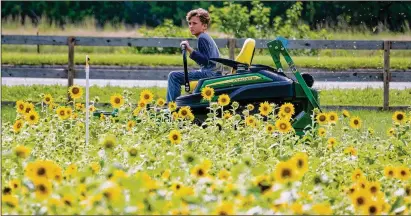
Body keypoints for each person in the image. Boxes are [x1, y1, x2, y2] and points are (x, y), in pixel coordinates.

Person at [166, 8, 223, 103]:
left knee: (173, 76)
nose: (191, 26)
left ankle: (172, 106)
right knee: (174, 75)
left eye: (194, 23)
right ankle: (171, 104)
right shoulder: (205, 37)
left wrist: (189, 49)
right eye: (189, 23)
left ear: (204, 26)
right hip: (212, 72)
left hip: (210, 73)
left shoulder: (202, 38)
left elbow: (205, 61)